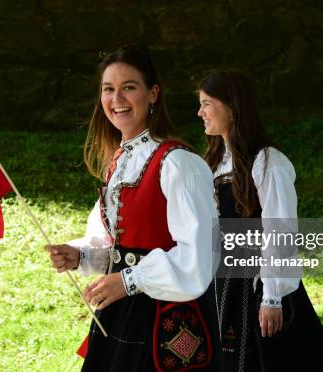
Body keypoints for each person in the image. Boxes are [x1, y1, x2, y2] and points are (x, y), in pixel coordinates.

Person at [45, 46, 221, 371]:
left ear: (153, 93)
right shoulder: (120, 160)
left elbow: (198, 258)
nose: (116, 99)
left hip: (167, 323)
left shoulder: (179, 163)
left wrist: (127, 280)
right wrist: (81, 255)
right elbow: (125, 248)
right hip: (121, 312)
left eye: (129, 87)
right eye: (108, 89)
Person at [197, 71, 323, 371]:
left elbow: (280, 231)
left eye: (207, 103)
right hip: (225, 287)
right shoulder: (215, 163)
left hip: (258, 286)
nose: (200, 112)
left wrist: (272, 297)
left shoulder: (267, 163)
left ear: (232, 108)